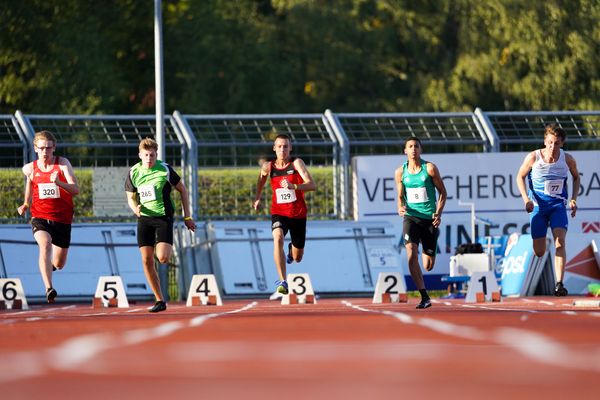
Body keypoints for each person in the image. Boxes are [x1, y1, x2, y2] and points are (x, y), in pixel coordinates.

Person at [125, 138, 196, 312]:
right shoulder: (134, 172)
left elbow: (183, 190)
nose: (149, 158)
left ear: (156, 155)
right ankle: (160, 300)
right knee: (146, 259)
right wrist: (136, 209)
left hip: (163, 217)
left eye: (152, 155)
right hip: (144, 218)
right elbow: (130, 197)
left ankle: (161, 293)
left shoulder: (164, 170)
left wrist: (187, 217)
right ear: (140, 155)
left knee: (162, 258)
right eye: (146, 155)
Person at [516, 123, 579, 296]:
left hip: (557, 206)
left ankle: (559, 284)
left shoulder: (567, 159)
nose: (553, 147)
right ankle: (543, 239)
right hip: (538, 208)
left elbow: (576, 177)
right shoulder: (533, 157)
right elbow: (520, 177)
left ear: (562, 144)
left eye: (557, 143)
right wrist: (526, 199)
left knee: (560, 241)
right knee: (539, 251)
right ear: (545, 141)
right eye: (550, 142)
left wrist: (573, 199)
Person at [17, 131, 79, 303]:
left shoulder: (63, 164)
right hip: (40, 217)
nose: (45, 152)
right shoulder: (30, 168)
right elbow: (30, 182)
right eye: (42, 148)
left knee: (59, 263)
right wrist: (26, 204)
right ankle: (49, 287)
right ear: (35, 149)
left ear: (54, 148)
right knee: (45, 245)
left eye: (49, 148)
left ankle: (49, 268)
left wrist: (58, 182)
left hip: (62, 219)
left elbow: (75, 190)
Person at [253, 134, 316, 295]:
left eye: (286, 146)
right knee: (277, 237)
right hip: (279, 212)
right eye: (279, 146)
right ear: (274, 148)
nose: (282, 149)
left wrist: (294, 186)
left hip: (298, 214)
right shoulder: (269, 166)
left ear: (290, 148)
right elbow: (261, 179)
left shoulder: (296, 163)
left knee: (297, 257)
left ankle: (290, 251)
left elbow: (311, 185)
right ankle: (283, 281)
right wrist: (257, 197)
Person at [395, 136, 447, 309]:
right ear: (405, 151)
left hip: (429, 219)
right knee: (411, 252)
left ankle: (432, 244)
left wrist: (438, 214)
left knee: (428, 265)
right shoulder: (400, 172)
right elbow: (400, 195)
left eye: (416, 146)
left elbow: (443, 193)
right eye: (410, 146)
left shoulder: (430, 169)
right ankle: (424, 296)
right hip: (411, 217)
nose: (413, 149)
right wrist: (400, 206)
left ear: (421, 149)